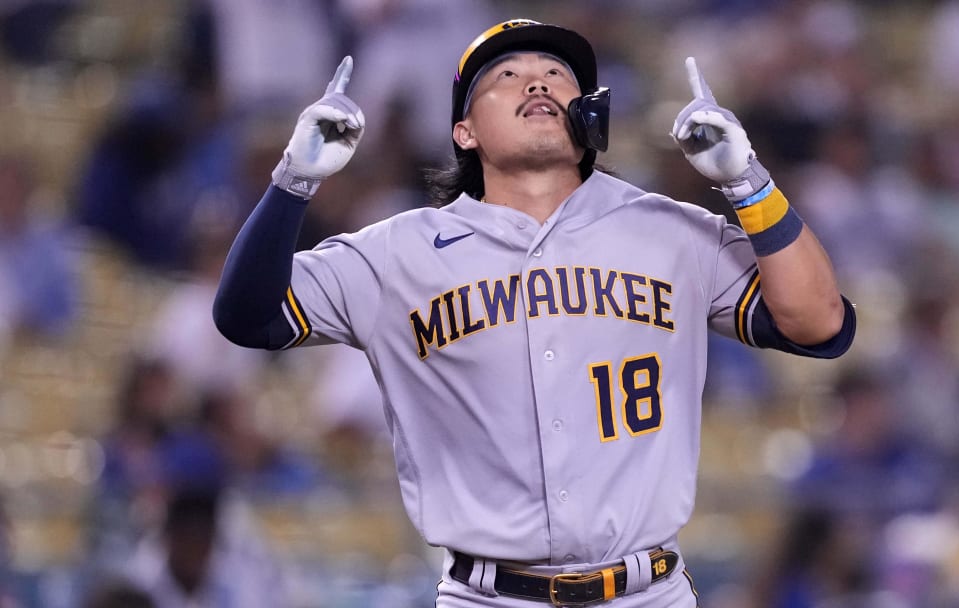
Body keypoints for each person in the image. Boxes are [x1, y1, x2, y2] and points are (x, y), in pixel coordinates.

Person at [214, 19, 856, 607]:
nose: (537, 81)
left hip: (647, 591)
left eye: (557, 75)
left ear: (587, 115)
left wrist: (748, 181)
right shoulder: (397, 253)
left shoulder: (671, 232)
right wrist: (294, 179)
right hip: (488, 596)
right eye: (506, 77)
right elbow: (246, 316)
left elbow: (819, 322)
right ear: (464, 131)